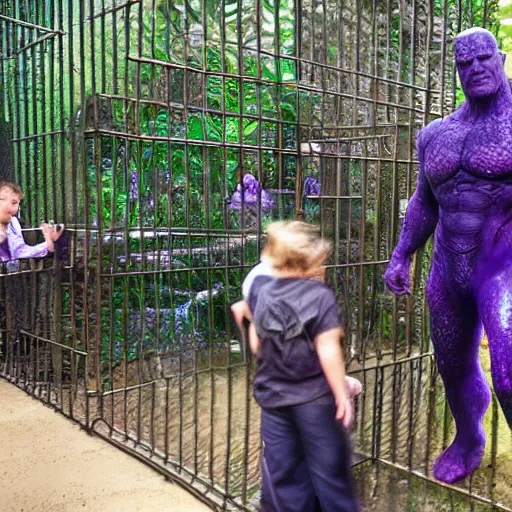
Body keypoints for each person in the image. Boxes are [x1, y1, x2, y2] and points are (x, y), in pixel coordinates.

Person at [384, 27, 512, 484]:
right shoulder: (437, 134)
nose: (474, 68)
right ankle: (469, 438)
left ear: (499, 58)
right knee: (452, 363)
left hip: (502, 268)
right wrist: (401, 253)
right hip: (447, 270)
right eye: (464, 63)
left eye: (482, 58)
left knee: (509, 373)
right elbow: (424, 201)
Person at [232, 221, 359, 512]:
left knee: (282, 472)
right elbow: (328, 350)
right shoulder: (319, 297)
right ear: (309, 262)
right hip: (313, 399)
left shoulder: (262, 290)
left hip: (274, 399)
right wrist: (341, 393)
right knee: (329, 471)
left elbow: (256, 343)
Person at [0, 181, 64, 262]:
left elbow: (20, 252)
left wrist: (48, 240)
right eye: (13, 202)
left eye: (17, 204)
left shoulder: (13, 222)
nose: (15, 208)